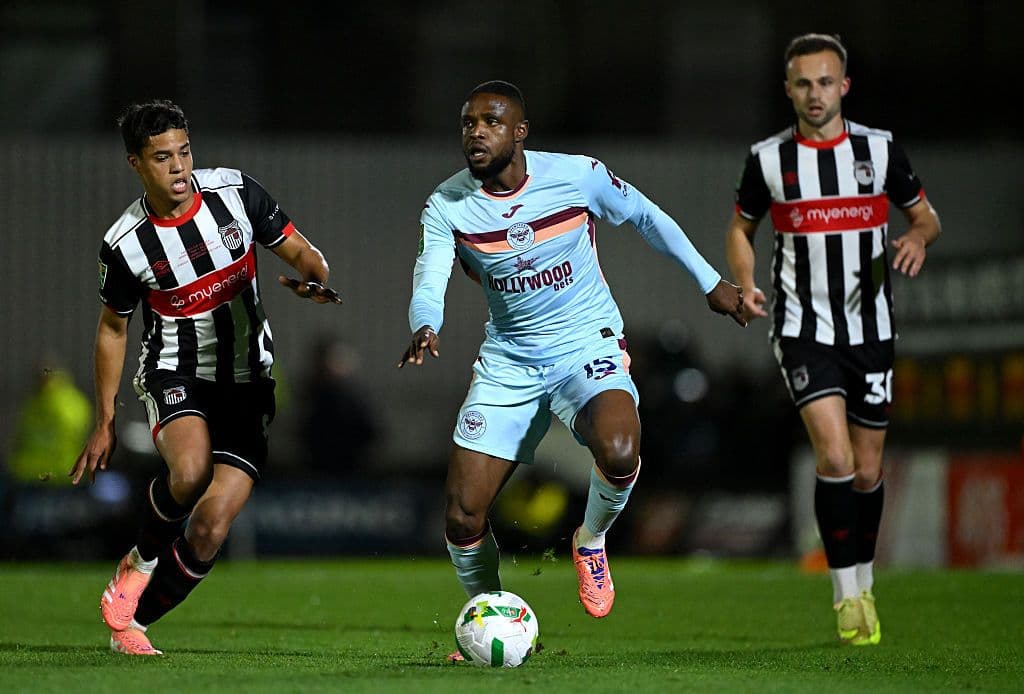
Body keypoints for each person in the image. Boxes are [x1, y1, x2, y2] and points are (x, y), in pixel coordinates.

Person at [398, 81, 745, 659]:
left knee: (618, 448)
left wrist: (710, 282)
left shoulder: (576, 176)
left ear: (519, 133)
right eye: (467, 123)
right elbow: (430, 272)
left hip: (586, 344)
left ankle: (591, 540)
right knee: (462, 515)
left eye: (490, 121)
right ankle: (489, 619)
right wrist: (425, 323)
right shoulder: (447, 203)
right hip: (509, 360)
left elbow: (646, 216)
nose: (476, 132)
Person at [68, 99, 342, 656]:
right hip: (177, 371)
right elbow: (113, 330)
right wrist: (104, 418)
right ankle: (137, 562)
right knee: (189, 474)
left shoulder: (236, 195)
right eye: (162, 157)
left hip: (249, 381)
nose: (179, 167)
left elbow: (301, 252)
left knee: (211, 527)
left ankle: (133, 626)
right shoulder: (126, 243)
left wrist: (314, 277)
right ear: (135, 164)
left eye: (185, 151)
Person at [724, 34, 941, 646]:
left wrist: (918, 237)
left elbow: (926, 215)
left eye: (825, 82)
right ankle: (846, 596)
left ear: (843, 86)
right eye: (802, 83)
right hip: (801, 329)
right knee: (837, 459)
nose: (814, 94)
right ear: (788, 89)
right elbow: (740, 228)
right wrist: (745, 283)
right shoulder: (768, 160)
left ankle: (864, 580)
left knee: (869, 472)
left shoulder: (879, 150)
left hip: (872, 330)